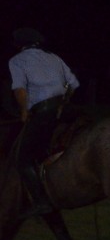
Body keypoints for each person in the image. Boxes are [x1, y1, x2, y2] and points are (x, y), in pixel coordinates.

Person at [8, 28, 80, 216]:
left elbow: (20, 90)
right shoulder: (54, 57)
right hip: (66, 111)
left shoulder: (16, 61)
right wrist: (63, 103)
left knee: (22, 160)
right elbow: (73, 84)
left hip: (44, 112)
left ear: (19, 44)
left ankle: (41, 202)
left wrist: (24, 111)